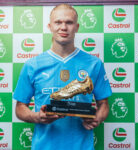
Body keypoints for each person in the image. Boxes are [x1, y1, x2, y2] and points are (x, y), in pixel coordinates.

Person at [13, 4, 112, 150]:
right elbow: (20, 107)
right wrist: (37, 117)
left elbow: (103, 104)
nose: (63, 27)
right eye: (58, 22)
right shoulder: (32, 65)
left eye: (69, 22)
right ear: (50, 26)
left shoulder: (94, 64)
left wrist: (96, 118)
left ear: (76, 27)